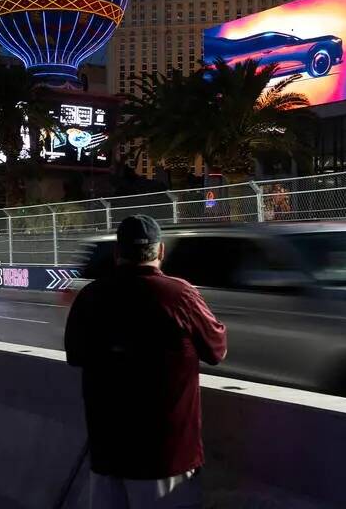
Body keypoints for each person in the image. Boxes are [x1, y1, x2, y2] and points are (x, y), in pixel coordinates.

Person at [64, 215, 227, 509]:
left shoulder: (90, 297)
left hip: (107, 455)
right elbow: (217, 350)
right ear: (161, 251)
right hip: (166, 461)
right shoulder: (181, 296)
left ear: (117, 253)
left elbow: (75, 356)